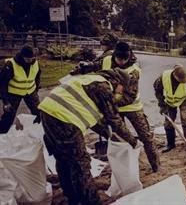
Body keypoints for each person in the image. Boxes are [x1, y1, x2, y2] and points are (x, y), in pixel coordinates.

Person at [38, 68, 137, 205]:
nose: (120, 92)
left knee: (63, 158)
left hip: (48, 111)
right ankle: (91, 201)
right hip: (64, 118)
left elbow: (93, 118)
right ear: (119, 82)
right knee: (81, 164)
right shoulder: (104, 86)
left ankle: (72, 196)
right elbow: (114, 119)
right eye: (122, 89)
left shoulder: (91, 79)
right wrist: (132, 140)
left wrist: (108, 134)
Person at [71, 41, 160, 172]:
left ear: (129, 56)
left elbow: (130, 96)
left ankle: (156, 165)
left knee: (146, 136)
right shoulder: (107, 59)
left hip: (131, 108)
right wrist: (83, 68)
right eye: (119, 59)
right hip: (112, 108)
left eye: (125, 59)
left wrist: (108, 102)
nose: (122, 62)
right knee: (119, 139)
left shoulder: (133, 70)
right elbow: (96, 66)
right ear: (114, 55)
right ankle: (125, 169)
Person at [153, 64, 186, 152]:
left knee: (185, 118)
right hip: (170, 101)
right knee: (168, 122)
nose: (183, 81)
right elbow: (157, 90)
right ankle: (170, 144)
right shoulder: (164, 77)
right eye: (181, 80)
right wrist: (162, 105)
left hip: (184, 100)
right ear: (175, 75)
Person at [0, 45, 41, 133]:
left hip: (30, 91)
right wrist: (6, 102)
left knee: (39, 113)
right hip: (14, 93)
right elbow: (2, 84)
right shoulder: (10, 65)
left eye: (32, 58)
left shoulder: (35, 62)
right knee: (8, 116)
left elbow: (37, 76)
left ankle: (38, 132)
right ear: (22, 57)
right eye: (27, 59)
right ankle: (2, 135)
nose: (30, 61)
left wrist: (36, 89)